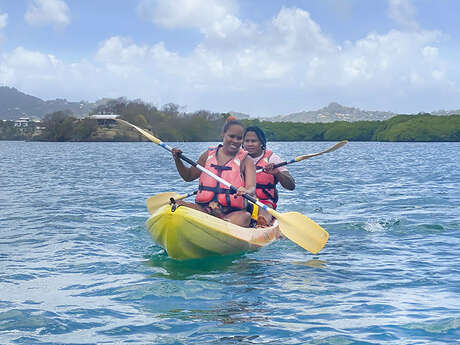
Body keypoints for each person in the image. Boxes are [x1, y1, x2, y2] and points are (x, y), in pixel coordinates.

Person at [171, 118, 256, 227]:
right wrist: (177, 160)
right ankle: (212, 221)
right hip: (204, 209)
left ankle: (221, 224)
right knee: (177, 204)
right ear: (223, 134)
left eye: (239, 138)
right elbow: (188, 176)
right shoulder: (207, 155)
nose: (235, 141)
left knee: (245, 216)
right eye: (231, 136)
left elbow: (251, 187)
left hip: (232, 213)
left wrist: (246, 190)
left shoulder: (246, 160)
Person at [243, 126, 295, 226]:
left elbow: (291, 185)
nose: (249, 144)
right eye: (247, 141)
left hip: (264, 202)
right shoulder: (237, 158)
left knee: (263, 212)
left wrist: (277, 173)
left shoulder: (273, 159)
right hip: (242, 200)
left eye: (253, 141)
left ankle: (263, 224)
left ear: (261, 143)